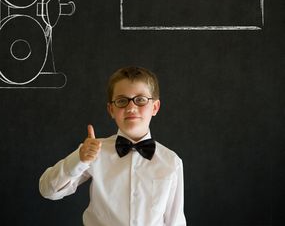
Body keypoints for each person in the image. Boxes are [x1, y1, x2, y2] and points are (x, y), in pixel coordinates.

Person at [39, 66, 186, 226]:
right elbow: (47, 190)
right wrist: (79, 160)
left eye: (140, 99)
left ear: (155, 107)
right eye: (122, 101)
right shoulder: (93, 151)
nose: (131, 108)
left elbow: (175, 221)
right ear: (111, 109)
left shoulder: (171, 161)